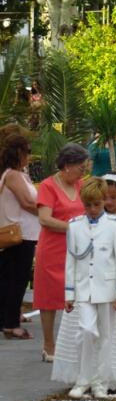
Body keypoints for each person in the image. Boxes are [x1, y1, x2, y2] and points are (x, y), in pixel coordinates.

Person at [61, 177, 116, 399]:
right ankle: (83, 379)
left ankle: (101, 382)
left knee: (106, 337)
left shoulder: (115, 226)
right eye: (88, 205)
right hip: (84, 289)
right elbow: (70, 261)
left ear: (104, 202)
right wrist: (69, 293)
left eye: (97, 204)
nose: (92, 209)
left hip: (108, 289)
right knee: (87, 331)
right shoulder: (74, 226)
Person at [34, 143, 89, 362]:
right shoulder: (48, 186)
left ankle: (76, 341)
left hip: (77, 248)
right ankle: (48, 344)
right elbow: (44, 219)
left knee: (77, 292)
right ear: (67, 165)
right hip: (53, 247)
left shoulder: (80, 185)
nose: (83, 172)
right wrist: (74, 227)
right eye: (80, 167)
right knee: (49, 297)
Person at [0, 133, 39, 340]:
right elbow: (26, 202)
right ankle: (10, 324)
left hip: (24, 232)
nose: (29, 157)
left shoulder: (17, 174)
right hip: (20, 233)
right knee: (17, 279)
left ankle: (7, 317)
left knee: (8, 277)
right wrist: (47, 213)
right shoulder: (13, 175)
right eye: (28, 152)